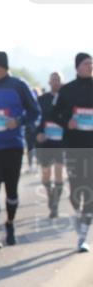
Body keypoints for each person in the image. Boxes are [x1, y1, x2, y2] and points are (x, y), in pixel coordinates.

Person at [0, 51, 41, 249]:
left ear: (2, 66)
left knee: (11, 190)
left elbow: (35, 112)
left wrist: (18, 121)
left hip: (12, 146)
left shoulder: (18, 85)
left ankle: (10, 224)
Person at [52, 52, 93, 252]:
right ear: (77, 66)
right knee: (78, 188)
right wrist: (66, 122)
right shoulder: (67, 90)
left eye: (91, 63)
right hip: (74, 145)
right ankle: (78, 215)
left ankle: (82, 237)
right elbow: (54, 113)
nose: (90, 66)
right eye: (86, 63)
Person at [37, 72, 65, 219]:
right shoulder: (42, 99)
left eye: (58, 80)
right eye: (53, 80)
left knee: (59, 172)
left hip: (60, 141)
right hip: (45, 141)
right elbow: (36, 118)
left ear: (62, 82)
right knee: (46, 174)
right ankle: (50, 195)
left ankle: (55, 205)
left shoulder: (66, 98)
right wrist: (38, 132)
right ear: (49, 82)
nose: (56, 82)